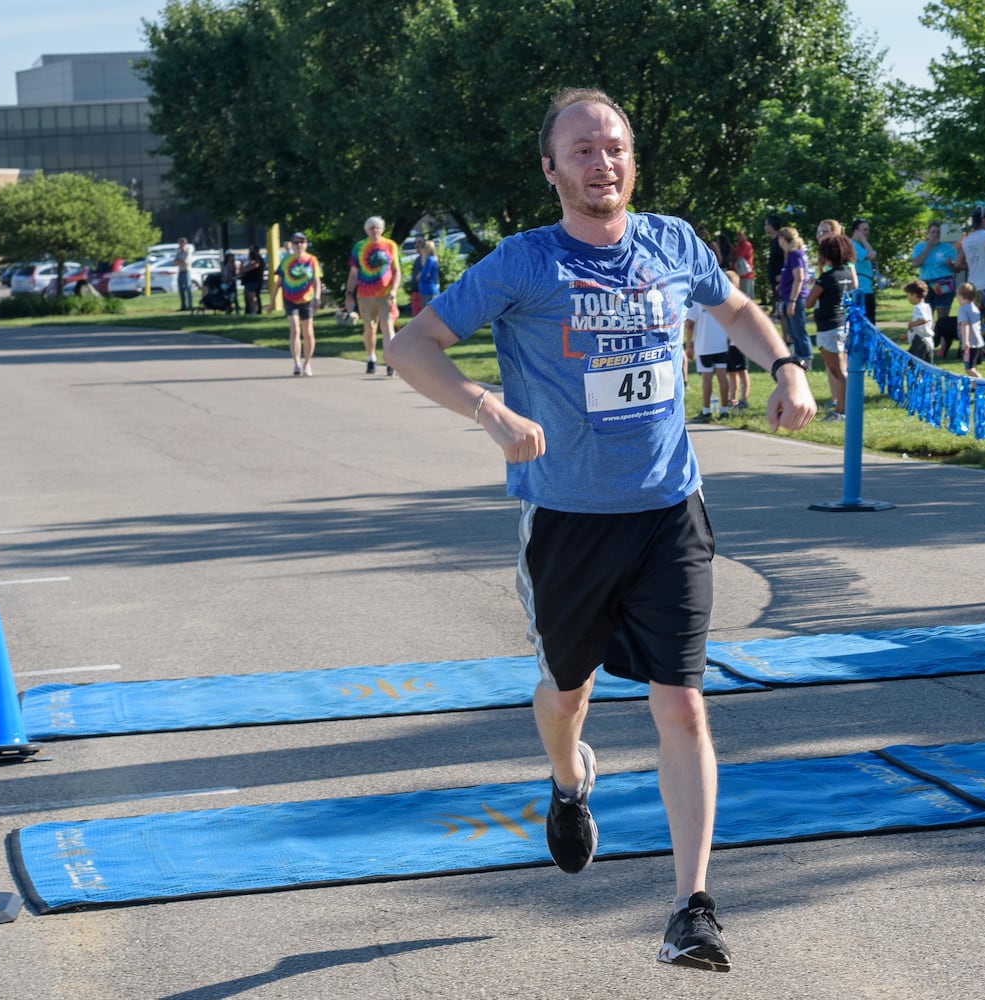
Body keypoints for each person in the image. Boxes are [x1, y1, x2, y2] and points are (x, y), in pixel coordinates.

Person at [386, 87, 816, 973]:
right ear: (551, 170)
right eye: (581, 150)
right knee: (566, 690)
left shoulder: (673, 242)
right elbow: (411, 345)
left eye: (614, 146)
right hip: (568, 521)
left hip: (669, 510)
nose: (602, 163)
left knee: (683, 702)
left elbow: (730, 306)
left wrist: (785, 363)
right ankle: (568, 778)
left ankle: (692, 909)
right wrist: (486, 410)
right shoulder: (523, 263)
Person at [804, 234, 857, 420]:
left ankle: (841, 411)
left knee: (837, 372)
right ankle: (844, 408)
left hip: (828, 326)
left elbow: (809, 303)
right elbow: (854, 288)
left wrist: (818, 277)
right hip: (842, 324)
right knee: (841, 369)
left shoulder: (826, 278)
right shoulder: (848, 275)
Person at [345, 216, 403, 375]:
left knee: (387, 325)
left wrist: (394, 290)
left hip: (385, 294)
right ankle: (371, 358)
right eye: (372, 228)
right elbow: (354, 273)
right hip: (365, 294)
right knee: (369, 328)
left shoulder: (390, 245)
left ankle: (390, 362)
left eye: (377, 227)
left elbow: (396, 271)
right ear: (367, 230)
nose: (375, 231)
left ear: (382, 229)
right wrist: (349, 293)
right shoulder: (359, 247)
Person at [684, 269, 734, 422]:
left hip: (704, 345)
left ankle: (706, 410)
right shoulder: (723, 297)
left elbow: (690, 324)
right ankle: (724, 409)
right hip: (721, 344)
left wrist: (689, 345)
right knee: (722, 376)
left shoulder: (698, 299)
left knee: (707, 378)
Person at [272, 232, 322, 376]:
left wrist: (317, 298)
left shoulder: (312, 260)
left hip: (307, 300)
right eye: (296, 242)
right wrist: (272, 301)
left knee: (308, 333)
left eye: (302, 242)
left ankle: (307, 363)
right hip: (290, 299)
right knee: (295, 330)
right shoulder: (286, 261)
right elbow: (279, 282)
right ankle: (296, 363)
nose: (299, 245)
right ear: (292, 245)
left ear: (306, 244)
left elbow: (316, 281)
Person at [776, 226, 813, 363]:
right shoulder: (792, 254)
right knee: (794, 332)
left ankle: (806, 360)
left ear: (783, 238)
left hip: (795, 299)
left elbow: (799, 278)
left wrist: (792, 301)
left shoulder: (795, 254)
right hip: (789, 297)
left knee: (799, 331)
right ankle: (799, 359)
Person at [910, 221, 959, 321]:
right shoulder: (920, 246)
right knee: (925, 315)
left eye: (938, 232)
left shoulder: (948, 248)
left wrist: (951, 264)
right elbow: (915, 263)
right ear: (928, 234)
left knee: (942, 316)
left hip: (944, 281)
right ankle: (928, 335)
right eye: (933, 232)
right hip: (925, 283)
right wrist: (928, 248)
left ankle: (941, 335)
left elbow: (956, 269)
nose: (935, 235)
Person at [851, 219, 879, 322]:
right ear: (856, 231)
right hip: (862, 290)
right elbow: (871, 254)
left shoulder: (859, 246)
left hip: (867, 288)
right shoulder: (852, 245)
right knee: (867, 323)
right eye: (864, 230)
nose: (867, 233)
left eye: (868, 230)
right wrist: (864, 240)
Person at [956, 282, 985, 378]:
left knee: (969, 369)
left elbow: (965, 325)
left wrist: (965, 342)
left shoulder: (963, 309)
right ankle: (974, 387)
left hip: (971, 343)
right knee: (974, 366)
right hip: (979, 342)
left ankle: (983, 384)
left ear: (961, 296)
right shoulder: (975, 308)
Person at [904, 280, 935, 362]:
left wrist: (911, 324)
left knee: (911, 364)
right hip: (929, 341)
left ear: (914, 294)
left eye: (908, 295)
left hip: (920, 341)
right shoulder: (927, 306)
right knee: (927, 367)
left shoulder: (918, 307)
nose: (908, 298)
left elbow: (924, 319)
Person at [410, 239, 441, 315]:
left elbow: (424, 275)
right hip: (426, 290)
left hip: (428, 290)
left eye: (423, 246)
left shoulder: (430, 260)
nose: (421, 248)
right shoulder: (430, 259)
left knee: (429, 314)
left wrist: (419, 276)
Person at [763, 215, 785, 310]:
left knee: (782, 309)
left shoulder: (781, 240)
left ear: (771, 225)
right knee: (778, 311)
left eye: (766, 224)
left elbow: (786, 258)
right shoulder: (773, 241)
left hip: (781, 279)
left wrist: (783, 274)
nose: (764, 227)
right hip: (774, 280)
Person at [239, 245, 265, 315]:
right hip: (248, 281)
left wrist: (244, 269)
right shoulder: (248, 260)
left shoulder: (258, 260)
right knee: (248, 296)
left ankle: (255, 311)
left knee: (253, 296)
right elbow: (241, 270)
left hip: (254, 281)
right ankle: (250, 310)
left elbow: (250, 267)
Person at [731, 230, 755, 299]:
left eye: (741, 235)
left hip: (746, 275)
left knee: (747, 297)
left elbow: (739, 256)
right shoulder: (737, 245)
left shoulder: (747, 245)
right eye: (738, 235)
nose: (739, 237)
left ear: (745, 235)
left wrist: (733, 255)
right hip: (738, 275)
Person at [174, 237, 195, 311]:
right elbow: (175, 262)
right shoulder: (178, 252)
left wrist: (179, 261)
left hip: (186, 271)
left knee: (188, 288)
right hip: (180, 271)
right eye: (179, 243)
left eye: (181, 243)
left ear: (184, 243)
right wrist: (179, 261)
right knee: (181, 289)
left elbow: (185, 262)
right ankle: (183, 306)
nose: (179, 244)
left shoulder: (187, 251)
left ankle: (190, 305)